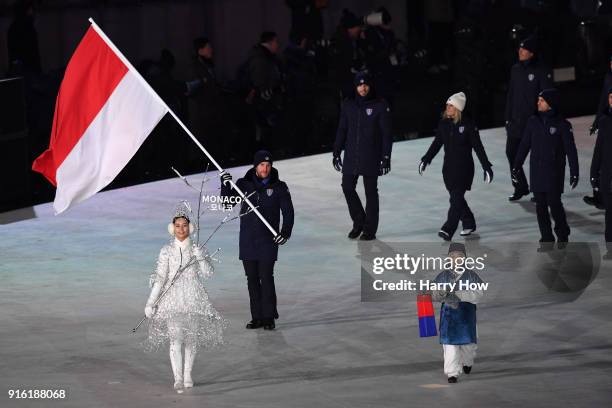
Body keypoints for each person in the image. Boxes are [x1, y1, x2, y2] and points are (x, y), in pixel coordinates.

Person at [143, 203, 227, 392]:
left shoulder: (198, 249)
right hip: (172, 298)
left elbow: (208, 273)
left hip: (193, 296)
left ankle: (188, 374)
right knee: (175, 339)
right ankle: (177, 378)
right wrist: (150, 302)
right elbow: (160, 277)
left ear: (191, 227)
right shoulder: (166, 250)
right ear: (172, 228)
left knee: (191, 339)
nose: (182, 229)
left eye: (185, 225)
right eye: (178, 225)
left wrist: (201, 257)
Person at [220, 151, 294, 330]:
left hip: (268, 240)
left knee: (266, 277)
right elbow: (227, 204)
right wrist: (225, 185)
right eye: (261, 165)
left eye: (268, 165)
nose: (265, 168)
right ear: (255, 166)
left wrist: (285, 232)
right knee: (252, 279)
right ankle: (257, 317)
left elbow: (288, 212)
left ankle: (269, 317)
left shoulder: (279, 187)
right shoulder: (242, 184)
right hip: (247, 240)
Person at [419, 92, 493, 241]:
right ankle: (468, 222)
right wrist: (426, 159)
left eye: (451, 105)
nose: (448, 107)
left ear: (458, 108)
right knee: (456, 198)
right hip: (448, 170)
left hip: (464, 169)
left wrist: (486, 167)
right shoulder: (444, 124)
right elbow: (437, 144)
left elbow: (478, 147)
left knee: (456, 199)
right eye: (447, 105)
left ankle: (448, 228)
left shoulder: (468, 125)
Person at [513, 88, 579, 244]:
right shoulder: (532, 121)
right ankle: (546, 237)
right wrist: (516, 165)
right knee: (540, 206)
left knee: (555, 205)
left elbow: (571, 150)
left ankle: (562, 233)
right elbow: (524, 145)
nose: (538, 103)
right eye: (538, 100)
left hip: (554, 172)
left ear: (550, 103)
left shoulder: (563, 125)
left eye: (541, 100)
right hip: (537, 170)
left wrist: (574, 172)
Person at [333, 72, 392, 241]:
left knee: (371, 192)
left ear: (370, 85)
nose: (363, 88)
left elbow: (386, 134)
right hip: (352, 154)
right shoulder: (348, 104)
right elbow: (342, 129)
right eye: (359, 85)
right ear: (355, 86)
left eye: (365, 84)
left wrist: (386, 157)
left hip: (371, 155)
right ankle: (359, 222)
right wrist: (336, 151)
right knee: (347, 187)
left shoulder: (380, 105)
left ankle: (369, 229)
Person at [505, 35, 553, 202]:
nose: (520, 51)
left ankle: (541, 191)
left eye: (524, 49)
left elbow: (547, 97)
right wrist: (507, 118)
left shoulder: (541, 70)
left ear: (532, 53)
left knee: (538, 158)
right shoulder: (515, 69)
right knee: (511, 153)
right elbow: (511, 94)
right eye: (520, 48)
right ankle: (520, 186)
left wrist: (543, 120)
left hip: (534, 123)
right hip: (516, 122)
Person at [431, 243, 484, 383]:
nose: (455, 259)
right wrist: (438, 294)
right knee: (450, 346)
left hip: (466, 316)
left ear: (465, 258)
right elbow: (434, 295)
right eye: (452, 256)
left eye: (459, 256)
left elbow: (478, 294)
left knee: (468, 345)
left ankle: (467, 362)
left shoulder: (472, 276)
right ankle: (452, 372)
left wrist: (459, 295)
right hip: (449, 317)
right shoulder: (442, 276)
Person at [584, 55, 612, 210]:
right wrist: (596, 122)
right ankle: (599, 196)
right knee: (600, 159)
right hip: (607, 122)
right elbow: (603, 100)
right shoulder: (608, 77)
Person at [590, 87, 612, 251]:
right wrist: (593, 173)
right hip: (607, 174)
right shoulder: (604, 120)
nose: (611, 100)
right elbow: (598, 148)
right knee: (609, 212)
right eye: (610, 97)